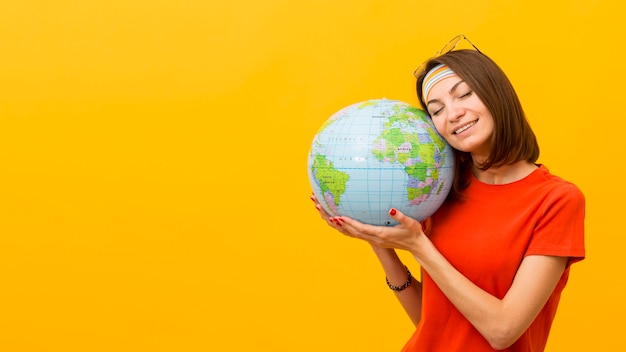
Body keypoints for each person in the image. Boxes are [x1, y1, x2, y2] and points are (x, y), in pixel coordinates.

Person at [310, 35, 585, 351]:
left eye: (464, 94)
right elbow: (431, 323)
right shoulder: (439, 188)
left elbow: (502, 331)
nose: (452, 114)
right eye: (436, 109)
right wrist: (380, 242)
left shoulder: (556, 201)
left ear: (497, 95)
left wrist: (419, 246)